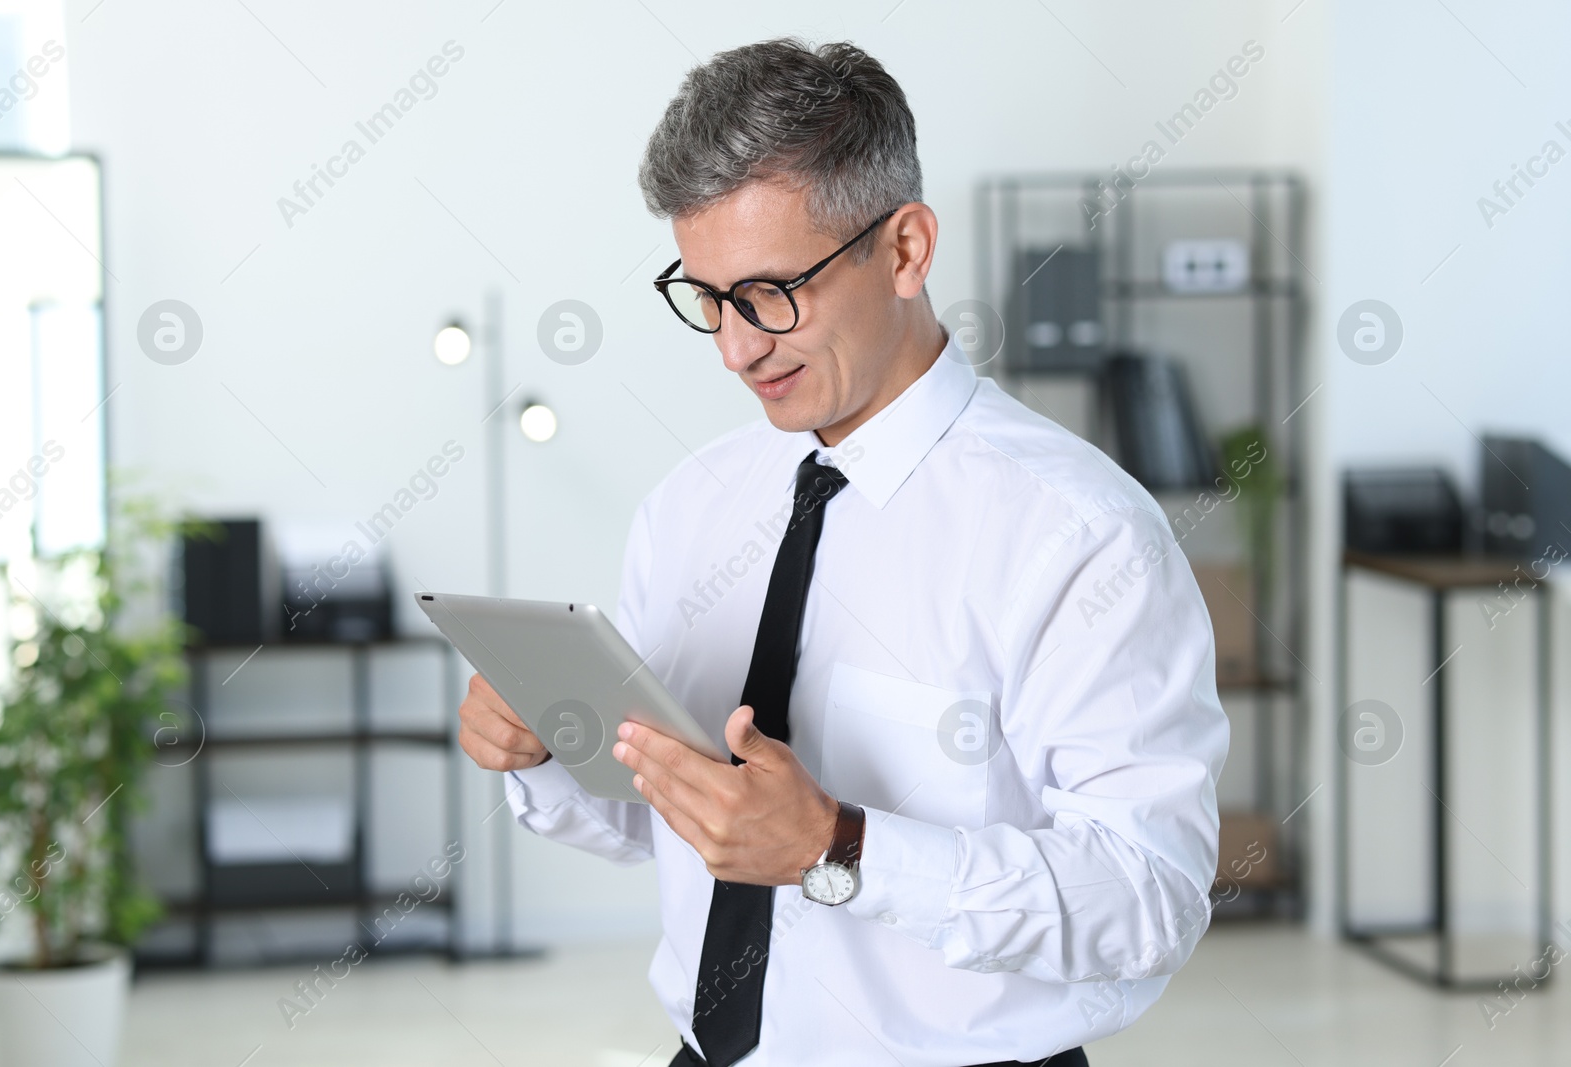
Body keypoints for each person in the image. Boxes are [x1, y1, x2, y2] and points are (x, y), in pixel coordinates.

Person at [458, 37, 1228, 1067]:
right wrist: (551, 745)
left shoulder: (1079, 535)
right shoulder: (692, 505)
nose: (738, 347)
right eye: (711, 299)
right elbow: (676, 833)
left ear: (905, 248)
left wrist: (841, 846)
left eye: (773, 292)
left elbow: (1149, 898)